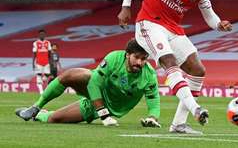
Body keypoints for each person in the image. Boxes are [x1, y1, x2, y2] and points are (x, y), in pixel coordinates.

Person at [118, 0, 232, 134]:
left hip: (172, 29)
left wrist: (218, 24)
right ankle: (196, 109)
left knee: (198, 70)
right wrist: (125, 7)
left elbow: (208, 14)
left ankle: (179, 124)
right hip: (148, 23)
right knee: (169, 61)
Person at [16, 39, 161, 128]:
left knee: (54, 119)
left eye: (144, 59)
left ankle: (40, 115)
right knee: (70, 75)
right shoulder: (114, 58)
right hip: (97, 93)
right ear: (127, 54)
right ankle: (36, 107)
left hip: (109, 107)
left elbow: (153, 100)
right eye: (137, 57)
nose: (140, 63)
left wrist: (152, 117)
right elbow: (93, 84)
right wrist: (103, 115)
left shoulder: (149, 75)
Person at [32, 29, 52, 94]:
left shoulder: (48, 43)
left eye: (43, 34)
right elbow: (34, 54)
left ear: (45, 35)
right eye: (41, 34)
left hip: (46, 62)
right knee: (39, 75)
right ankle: (41, 91)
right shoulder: (35, 43)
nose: (42, 35)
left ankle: (42, 81)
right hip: (38, 62)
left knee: (47, 74)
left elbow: (49, 53)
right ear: (39, 35)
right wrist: (33, 63)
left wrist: (50, 61)